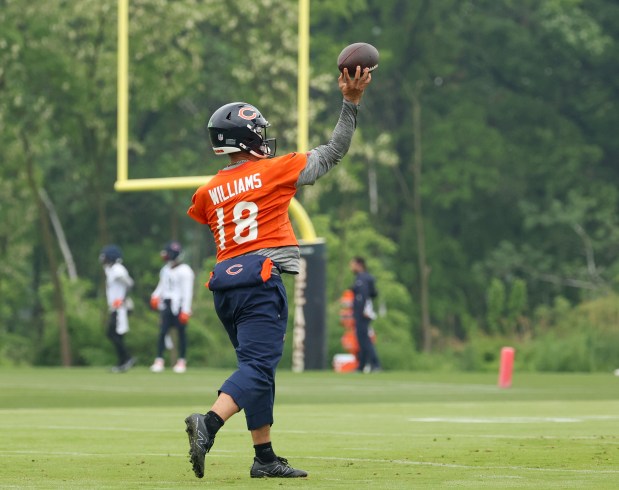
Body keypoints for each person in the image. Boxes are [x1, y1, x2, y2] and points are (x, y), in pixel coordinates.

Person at [184, 65, 372, 479]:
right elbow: (333, 152)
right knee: (257, 367)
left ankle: (264, 457)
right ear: (247, 137)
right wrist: (351, 103)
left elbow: (207, 213)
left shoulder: (205, 191)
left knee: (257, 369)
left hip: (223, 287)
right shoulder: (275, 169)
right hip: (260, 279)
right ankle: (208, 424)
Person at [149, 241, 195, 374]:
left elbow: (188, 292)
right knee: (162, 332)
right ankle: (159, 360)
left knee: (181, 334)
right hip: (167, 304)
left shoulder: (185, 271)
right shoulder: (165, 269)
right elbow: (162, 286)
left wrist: (186, 310)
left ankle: (181, 361)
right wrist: (155, 296)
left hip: (179, 305)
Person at [99, 244, 135, 373]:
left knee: (113, 333)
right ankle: (123, 361)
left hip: (120, 308)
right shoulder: (111, 269)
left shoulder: (117, 269)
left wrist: (123, 299)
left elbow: (129, 283)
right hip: (115, 307)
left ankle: (126, 359)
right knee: (115, 334)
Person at [350, 256, 382, 373]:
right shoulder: (365, 277)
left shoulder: (362, 279)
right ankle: (361, 366)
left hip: (363, 313)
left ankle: (375, 364)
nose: (351, 267)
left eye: (352, 264)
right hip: (364, 311)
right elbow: (374, 293)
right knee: (361, 339)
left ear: (359, 265)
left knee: (365, 340)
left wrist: (362, 310)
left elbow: (363, 296)